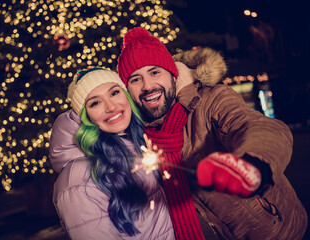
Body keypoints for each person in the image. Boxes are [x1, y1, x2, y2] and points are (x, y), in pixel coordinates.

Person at [116, 27, 308, 240]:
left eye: (154, 72)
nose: (148, 86)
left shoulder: (210, 100)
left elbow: (256, 126)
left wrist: (252, 164)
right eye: (135, 79)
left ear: (172, 74)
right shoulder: (138, 138)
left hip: (280, 231)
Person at [49, 66, 176, 239]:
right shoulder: (77, 181)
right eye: (95, 103)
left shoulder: (140, 143)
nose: (111, 107)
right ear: (86, 117)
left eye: (114, 93)